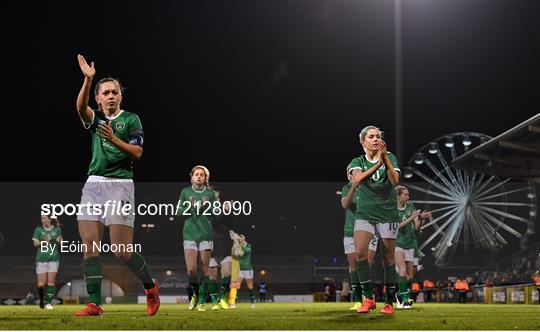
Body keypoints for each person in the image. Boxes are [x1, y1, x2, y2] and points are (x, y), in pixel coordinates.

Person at [74, 55, 159, 316]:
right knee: (89, 245)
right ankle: (95, 305)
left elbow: (137, 153)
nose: (111, 96)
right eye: (105, 93)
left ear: (120, 96)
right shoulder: (95, 119)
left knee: (121, 252)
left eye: (115, 92)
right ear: (98, 99)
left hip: (121, 185)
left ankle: (150, 287)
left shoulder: (131, 120)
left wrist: (113, 138)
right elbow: (80, 108)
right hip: (94, 184)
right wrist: (88, 79)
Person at [348, 126, 401, 315]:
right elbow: (356, 180)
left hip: (387, 214)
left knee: (387, 259)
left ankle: (388, 303)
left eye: (378, 136)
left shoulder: (391, 157)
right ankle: (368, 299)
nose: (376, 139)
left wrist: (385, 158)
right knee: (360, 255)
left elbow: (395, 181)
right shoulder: (358, 161)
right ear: (363, 141)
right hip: (365, 214)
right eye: (371, 137)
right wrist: (377, 165)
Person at [176, 165, 218, 311]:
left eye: (202, 174)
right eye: (196, 174)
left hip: (206, 234)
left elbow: (216, 214)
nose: (199, 176)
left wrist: (208, 207)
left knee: (205, 269)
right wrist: (191, 207)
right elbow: (178, 212)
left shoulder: (211, 193)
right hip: (189, 234)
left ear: (205, 178)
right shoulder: (185, 192)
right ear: (192, 177)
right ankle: (194, 294)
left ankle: (201, 301)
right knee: (191, 270)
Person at [394, 186, 431, 309]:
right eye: (405, 195)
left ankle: (400, 295)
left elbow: (416, 228)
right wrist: (411, 218)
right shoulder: (392, 209)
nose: (408, 197)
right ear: (398, 196)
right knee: (402, 270)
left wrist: (421, 218)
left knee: (410, 276)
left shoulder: (410, 207)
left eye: (408, 194)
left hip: (410, 244)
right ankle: (404, 300)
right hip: (398, 244)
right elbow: (396, 227)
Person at [32, 215, 62, 309]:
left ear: (49, 219)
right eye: (41, 218)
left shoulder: (57, 229)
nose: (43, 220)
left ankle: (48, 303)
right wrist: (43, 241)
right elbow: (35, 243)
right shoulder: (38, 229)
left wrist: (59, 241)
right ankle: (41, 300)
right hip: (41, 259)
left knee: (51, 282)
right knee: (41, 283)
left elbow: (60, 242)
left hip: (53, 258)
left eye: (44, 218)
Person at [232, 234, 257, 308]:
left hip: (248, 269)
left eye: (241, 238)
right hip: (240, 269)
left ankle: (253, 302)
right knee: (237, 285)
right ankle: (234, 303)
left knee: (250, 286)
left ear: (244, 238)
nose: (240, 239)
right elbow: (234, 255)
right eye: (239, 238)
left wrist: (241, 246)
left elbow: (248, 251)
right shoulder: (237, 246)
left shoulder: (248, 245)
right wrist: (235, 246)